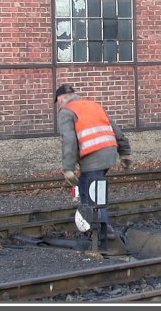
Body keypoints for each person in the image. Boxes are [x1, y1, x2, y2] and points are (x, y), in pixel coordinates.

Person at [55, 83, 133, 238]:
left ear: (61, 99)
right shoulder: (94, 105)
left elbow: (68, 140)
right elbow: (115, 128)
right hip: (109, 154)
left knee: (94, 197)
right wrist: (125, 152)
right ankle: (91, 230)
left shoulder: (66, 111)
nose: (58, 105)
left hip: (93, 157)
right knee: (86, 189)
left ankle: (105, 235)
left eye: (57, 102)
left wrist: (68, 169)